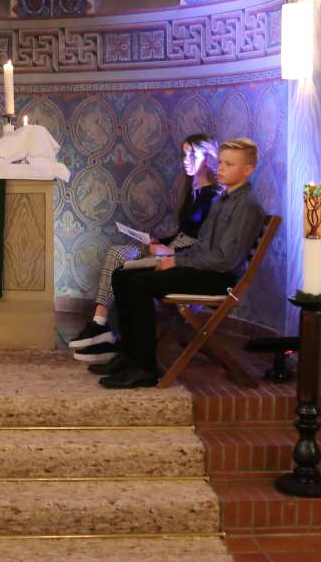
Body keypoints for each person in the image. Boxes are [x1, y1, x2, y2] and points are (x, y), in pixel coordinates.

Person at [91, 138, 267, 389]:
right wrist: (170, 257)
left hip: (216, 278)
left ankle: (144, 368)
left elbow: (224, 259)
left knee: (138, 284)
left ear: (247, 170)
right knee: (122, 276)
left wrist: (176, 262)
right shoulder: (224, 200)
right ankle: (128, 356)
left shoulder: (247, 206)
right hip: (202, 268)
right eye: (222, 162)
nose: (221, 168)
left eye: (229, 164)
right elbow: (202, 245)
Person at [70, 133, 223, 361]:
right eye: (183, 154)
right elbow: (186, 231)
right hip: (172, 248)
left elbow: (203, 242)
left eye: (192, 154)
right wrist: (160, 241)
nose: (185, 159)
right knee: (117, 253)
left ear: (209, 156)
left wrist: (171, 251)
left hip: (183, 257)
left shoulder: (214, 196)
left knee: (122, 262)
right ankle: (100, 324)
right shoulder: (194, 190)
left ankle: (103, 327)